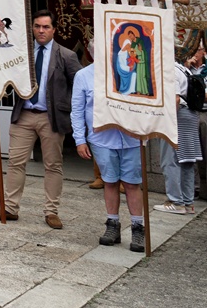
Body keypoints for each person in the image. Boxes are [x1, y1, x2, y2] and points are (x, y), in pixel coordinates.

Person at [0, 10, 81, 227]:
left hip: (51, 118)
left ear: (54, 29)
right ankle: (10, 208)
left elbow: (80, 86)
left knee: (53, 165)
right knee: (15, 162)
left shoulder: (66, 56)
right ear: (32, 28)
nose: (41, 31)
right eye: (37, 26)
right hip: (24, 114)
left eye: (46, 27)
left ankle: (51, 211)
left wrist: (66, 106)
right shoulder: (22, 53)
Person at [72, 55, 145, 251]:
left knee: (132, 183)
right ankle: (112, 225)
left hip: (132, 137)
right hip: (102, 139)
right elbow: (77, 110)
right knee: (110, 181)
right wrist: (80, 140)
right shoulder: (83, 75)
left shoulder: (133, 70)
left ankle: (138, 228)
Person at [155, 46, 204, 214]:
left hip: (178, 114)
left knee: (170, 159)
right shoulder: (184, 70)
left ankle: (175, 201)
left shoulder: (170, 70)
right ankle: (188, 202)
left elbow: (175, 98)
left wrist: (167, 120)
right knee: (187, 160)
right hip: (191, 115)